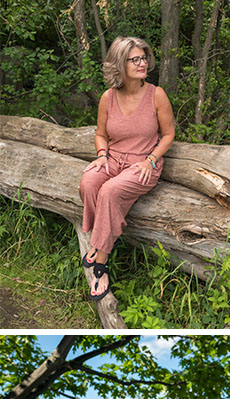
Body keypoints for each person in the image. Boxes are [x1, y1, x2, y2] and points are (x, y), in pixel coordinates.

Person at [79, 36, 175, 301]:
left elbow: (168, 135)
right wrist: (101, 154)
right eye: (135, 59)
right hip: (114, 159)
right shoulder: (107, 98)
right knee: (89, 182)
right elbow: (100, 134)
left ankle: (101, 263)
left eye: (144, 58)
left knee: (109, 192)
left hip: (144, 164)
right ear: (120, 64)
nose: (142, 63)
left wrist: (151, 159)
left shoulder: (156, 95)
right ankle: (106, 238)